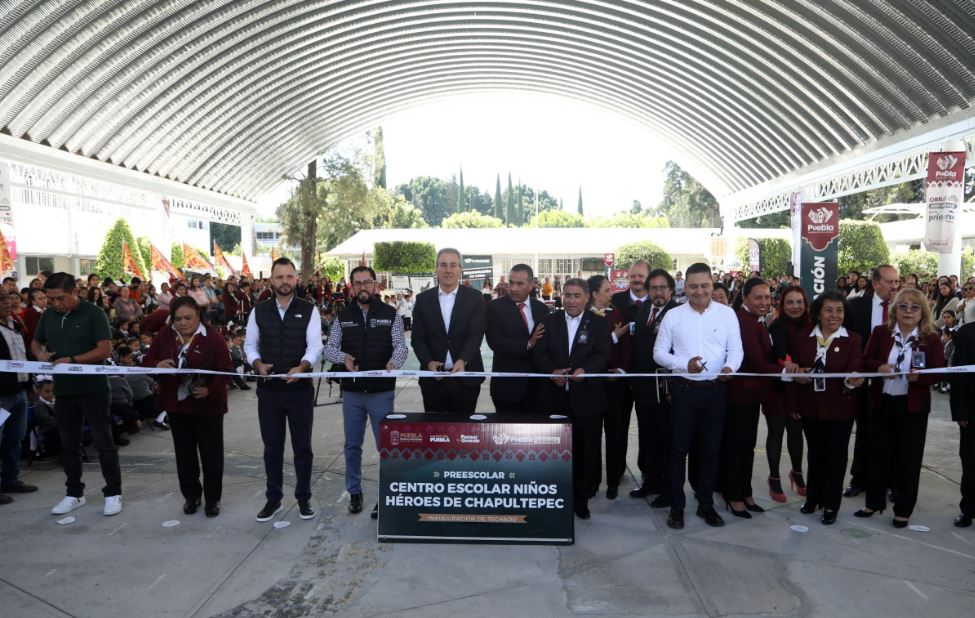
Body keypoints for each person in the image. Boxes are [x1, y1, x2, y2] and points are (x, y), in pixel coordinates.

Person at [653, 263, 743, 530]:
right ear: (685, 288)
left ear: (712, 285)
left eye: (705, 285)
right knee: (678, 450)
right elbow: (659, 353)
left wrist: (730, 368)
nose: (700, 291)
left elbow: (736, 350)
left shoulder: (727, 315)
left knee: (710, 450)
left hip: (716, 391)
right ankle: (677, 507)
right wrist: (683, 364)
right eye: (693, 286)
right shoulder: (674, 316)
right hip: (683, 391)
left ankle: (706, 505)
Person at [32, 273, 121, 516]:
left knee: (104, 442)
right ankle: (74, 493)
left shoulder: (94, 313)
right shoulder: (48, 316)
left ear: (75, 291)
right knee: (68, 444)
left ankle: (113, 492)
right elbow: (36, 342)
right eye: (50, 300)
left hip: (94, 389)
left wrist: (71, 360)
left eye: (60, 298)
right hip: (64, 391)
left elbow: (104, 349)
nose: (55, 304)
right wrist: (40, 354)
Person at [324, 266, 408, 518]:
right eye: (358, 283)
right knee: (352, 445)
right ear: (351, 287)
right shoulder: (343, 315)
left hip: (382, 392)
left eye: (367, 282)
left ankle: (386, 495)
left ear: (375, 285)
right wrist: (344, 357)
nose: (363, 287)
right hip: (351, 393)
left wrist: (394, 363)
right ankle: (355, 491)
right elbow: (329, 349)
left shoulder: (390, 313)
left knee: (386, 446)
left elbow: (401, 347)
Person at [856, 287, 944, 528]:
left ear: (923, 312)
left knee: (909, 458)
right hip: (882, 403)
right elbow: (866, 360)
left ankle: (903, 509)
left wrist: (921, 378)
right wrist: (879, 367)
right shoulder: (881, 333)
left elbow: (937, 372)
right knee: (878, 454)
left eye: (914, 307)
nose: (908, 311)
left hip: (913, 407)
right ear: (894, 309)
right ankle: (873, 503)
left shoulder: (931, 337)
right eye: (903, 306)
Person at [244, 258, 324, 522]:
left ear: (296, 279)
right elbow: (249, 345)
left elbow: (315, 347)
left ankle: (303, 498)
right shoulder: (259, 310)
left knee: (303, 448)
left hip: (299, 391)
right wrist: (257, 363)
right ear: (271, 281)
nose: (285, 282)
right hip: (269, 393)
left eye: (289, 277)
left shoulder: (309, 310)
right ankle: (273, 499)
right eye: (279, 277)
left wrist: (302, 367)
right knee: (272, 448)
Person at [144, 296, 232, 517]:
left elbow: (225, 370)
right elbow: (146, 362)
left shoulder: (213, 338)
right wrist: (157, 365)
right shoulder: (164, 337)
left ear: (199, 316)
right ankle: (191, 496)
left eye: (188, 318)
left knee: (211, 455)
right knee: (185, 455)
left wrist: (210, 390)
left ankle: (213, 499)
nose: (183, 323)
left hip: (208, 407)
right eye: (178, 319)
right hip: (177, 407)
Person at [532, 278, 611, 519]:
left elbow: (603, 354)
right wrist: (551, 372)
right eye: (567, 295)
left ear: (587, 298)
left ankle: (581, 498)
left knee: (586, 451)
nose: (571, 300)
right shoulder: (548, 320)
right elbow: (539, 352)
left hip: (587, 400)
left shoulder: (599, 324)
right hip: (554, 399)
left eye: (576, 295)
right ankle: (556, 495)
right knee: (554, 451)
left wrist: (585, 372)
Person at [790, 290, 864, 525]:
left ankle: (831, 504)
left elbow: (854, 368)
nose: (834, 315)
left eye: (839, 310)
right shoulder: (802, 337)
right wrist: (797, 376)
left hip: (840, 408)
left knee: (836, 457)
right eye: (829, 310)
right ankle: (813, 498)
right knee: (815, 454)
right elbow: (795, 369)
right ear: (818, 313)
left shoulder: (852, 339)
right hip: (810, 407)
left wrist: (851, 381)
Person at [722, 278, 782, 518]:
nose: (764, 302)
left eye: (767, 297)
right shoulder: (743, 321)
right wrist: (786, 373)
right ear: (744, 297)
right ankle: (734, 496)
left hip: (752, 394)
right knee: (737, 448)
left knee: (747, 447)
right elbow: (756, 361)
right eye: (758, 297)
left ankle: (745, 493)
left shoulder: (757, 320)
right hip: (739, 395)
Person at [843, 264, 899, 497]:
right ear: (875, 284)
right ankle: (859, 478)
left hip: (896, 381)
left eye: (897, 281)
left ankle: (892, 482)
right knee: (864, 430)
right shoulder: (856, 307)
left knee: (893, 433)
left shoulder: (906, 307)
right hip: (863, 379)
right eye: (889, 282)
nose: (895, 286)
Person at [410, 248, 486, 414]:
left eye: (453, 265)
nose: (448, 270)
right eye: (443, 265)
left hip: (466, 378)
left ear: (460, 269)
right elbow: (418, 338)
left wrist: (462, 359)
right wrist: (429, 362)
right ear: (436, 268)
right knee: (436, 433)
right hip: (433, 379)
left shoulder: (475, 297)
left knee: (464, 435)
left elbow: (475, 334)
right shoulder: (423, 300)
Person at [629, 268, 679, 500]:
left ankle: (668, 489)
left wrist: (672, 387)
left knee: (666, 438)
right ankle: (650, 481)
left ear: (671, 290)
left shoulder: (678, 313)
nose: (658, 292)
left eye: (662, 288)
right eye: (653, 288)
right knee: (647, 435)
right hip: (643, 387)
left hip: (666, 391)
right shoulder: (644, 310)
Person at [602, 260, 647, 498]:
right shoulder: (616, 302)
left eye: (641, 276)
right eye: (633, 276)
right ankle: (615, 474)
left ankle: (647, 472)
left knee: (649, 429)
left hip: (647, 379)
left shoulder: (658, 302)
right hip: (617, 380)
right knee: (617, 428)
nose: (637, 280)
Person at [764, 286, 810, 502]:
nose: (795, 306)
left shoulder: (811, 326)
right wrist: (789, 364)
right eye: (790, 302)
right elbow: (779, 356)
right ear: (782, 305)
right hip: (777, 389)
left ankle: (797, 474)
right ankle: (774, 478)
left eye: (799, 302)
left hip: (800, 389)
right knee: (776, 432)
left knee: (796, 431)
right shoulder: (776, 326)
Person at [485, 264, 549, 413]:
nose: (513, 288)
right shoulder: (494, 308)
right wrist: (528, 343)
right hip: (507, 389)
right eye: (511, 283)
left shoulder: (541, 309)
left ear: (532, 284)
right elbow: (495, 342)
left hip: (538, 388)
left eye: (519, 284)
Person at [587, 274, 629, 499]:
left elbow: (625, 346)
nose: (610, 294)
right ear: (594, 294)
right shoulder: (583, 315)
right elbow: (588, 349)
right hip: (592, 384)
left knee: (616, 433)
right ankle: (592, 481)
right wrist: (613, 336)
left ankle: (613, 480)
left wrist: (621, 370)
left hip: (614, 384)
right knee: (591, 435)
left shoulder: (616, 313)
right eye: (606, 290)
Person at [0, 289, 37, 504]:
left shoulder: (15, 325)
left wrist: (29, 382)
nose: (8, 303)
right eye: (2, 299)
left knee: (15, 438)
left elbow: (23, 356)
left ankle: (10, 479)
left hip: (20, 390)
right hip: (2, 394)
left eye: (9, 299)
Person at [949, 313, 975, 527]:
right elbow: (959, 374)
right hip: (972, 412)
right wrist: (960, 411)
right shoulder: (966, 333)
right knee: (970, 462)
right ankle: (968, 509)